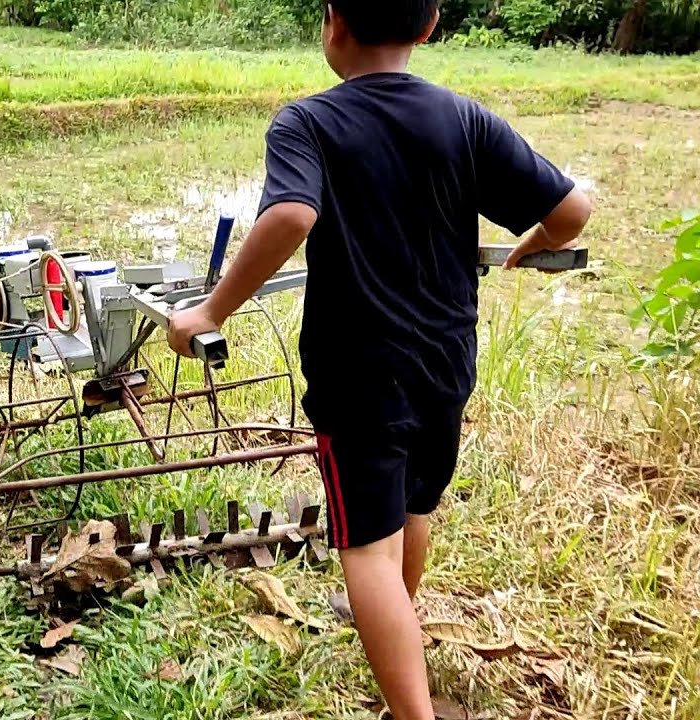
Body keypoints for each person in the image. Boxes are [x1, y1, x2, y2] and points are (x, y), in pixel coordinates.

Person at [166, 2, 592, 718]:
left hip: (360, 375)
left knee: (365, 549)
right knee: (412, 504)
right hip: (447, 362)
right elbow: (572, 210)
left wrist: (209, 311)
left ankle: (409, 706)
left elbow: (292, 215)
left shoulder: (309, 121)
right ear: (427, 26)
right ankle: (395, 614)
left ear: (333, 21)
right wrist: (533, 240)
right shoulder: (463, 117)